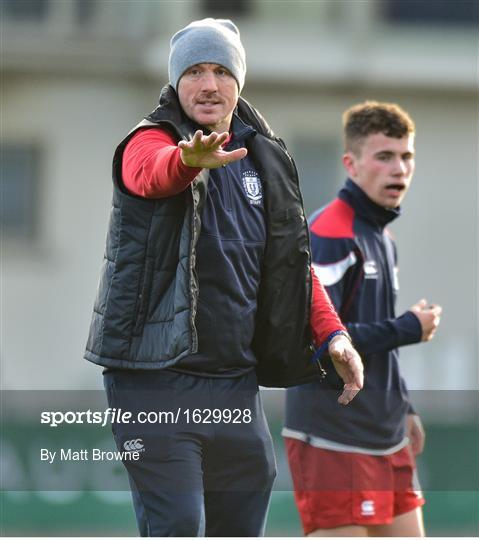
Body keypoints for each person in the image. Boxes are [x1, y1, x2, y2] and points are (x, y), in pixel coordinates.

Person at [84, 18, 363, 537]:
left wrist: (333, 334)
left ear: (238, 80)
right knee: (180, 523)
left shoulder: (264, 157)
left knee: (238, 527)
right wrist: (187, 160)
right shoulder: (152, 141)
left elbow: (289, 266)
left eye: (219, 70)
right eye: (193, 71)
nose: (208, 83)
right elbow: (150, 172)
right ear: (175, 83)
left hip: (234, 385)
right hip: (154, 380)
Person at [283, 101, 442, 537]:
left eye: (406, 156)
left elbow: (370, 330)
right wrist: (408, 328)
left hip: (386, 434)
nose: (399, 168)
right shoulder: (330, 233)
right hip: (334, 435)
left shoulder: (382, 238)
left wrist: (402, 403)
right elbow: (313, 336)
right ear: (350, 165)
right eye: (384, 156)